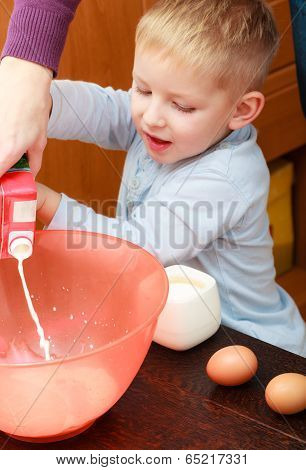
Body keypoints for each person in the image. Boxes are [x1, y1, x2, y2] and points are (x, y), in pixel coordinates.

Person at [33, 0, 305, 356]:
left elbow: (136, 247)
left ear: (241, 109)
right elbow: (99, 108)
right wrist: (37, 101)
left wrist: (42, 201)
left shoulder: (226, 177)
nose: (151, 117)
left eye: (182, 106)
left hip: (246, 343)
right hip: (180, 329)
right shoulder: (164, 128)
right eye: (143, 90)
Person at [0, 0, 81, 176]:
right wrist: (43, 105)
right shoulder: (131, 123)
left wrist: (47, 200)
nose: (152, 117)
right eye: (144, 91)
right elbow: (106, 110)